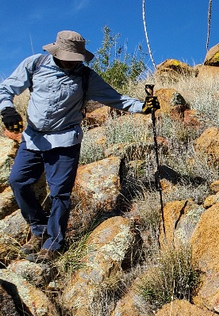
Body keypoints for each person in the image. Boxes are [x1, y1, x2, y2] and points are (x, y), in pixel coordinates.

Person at [0, 30, 159, 263]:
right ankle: (39, 227)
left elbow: (116, 98)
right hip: (33, 138)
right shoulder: (35, 64)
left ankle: (54, 244)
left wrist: (142, 107)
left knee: (60, 193)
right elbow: (6, 89)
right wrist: (7, 109)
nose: (71, 62)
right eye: (67, 57)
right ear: (56, 51)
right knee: (18, 181)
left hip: (65, 141)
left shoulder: (86, 77)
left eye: (75, 58)